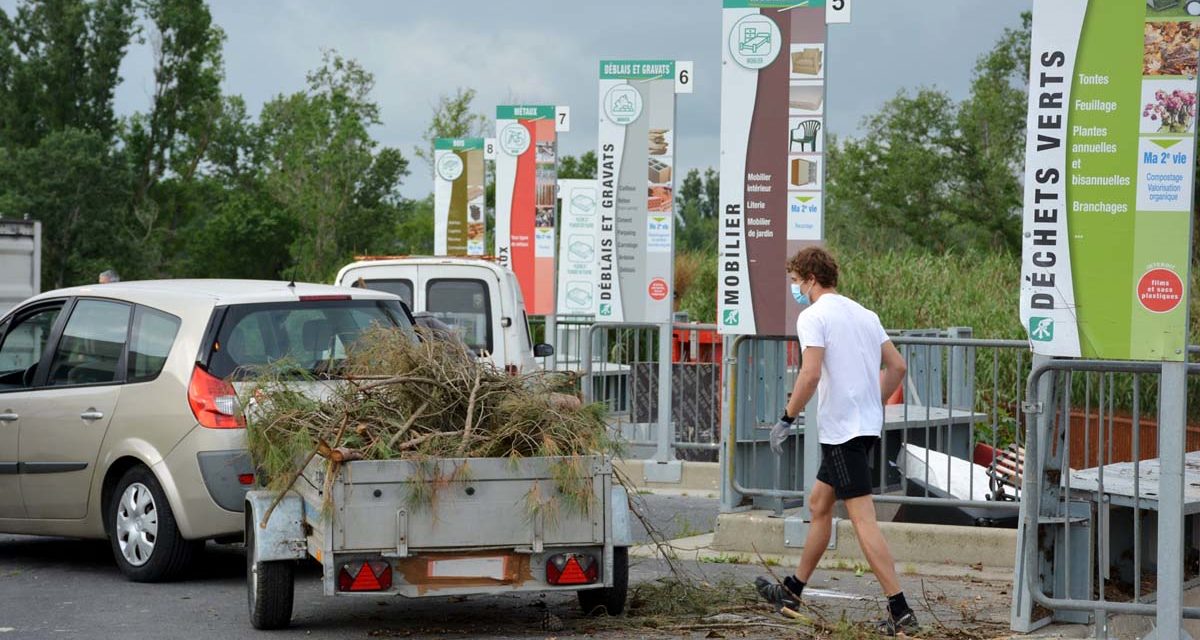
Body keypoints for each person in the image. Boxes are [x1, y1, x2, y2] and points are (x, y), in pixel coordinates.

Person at [754, 246, 918, 636]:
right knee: (819, 503)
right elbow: (897, 366)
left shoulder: (814, 316)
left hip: (841, 431)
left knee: (862, 520)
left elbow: (809, 375)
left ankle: (901, 610)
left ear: (810, 279)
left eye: (796, 281)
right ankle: (792, 592)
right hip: (863, 427)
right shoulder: (864, 313)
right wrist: (872, 400)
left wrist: (786, 417)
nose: (795, 288)